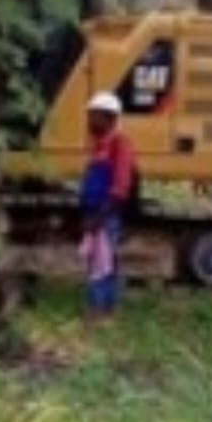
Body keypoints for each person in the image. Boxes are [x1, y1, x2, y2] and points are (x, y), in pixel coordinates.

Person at [78, 91, 135, 318]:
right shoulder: (99, 145)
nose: (90, 121)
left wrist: (102, 213)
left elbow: (121, 183)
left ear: (110, 118)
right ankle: (106, 309)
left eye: (94, 116)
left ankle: (98, 310)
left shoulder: (119, 144)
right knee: (101, 260)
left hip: (106, 212)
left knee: (101, 263)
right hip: (95, 210)